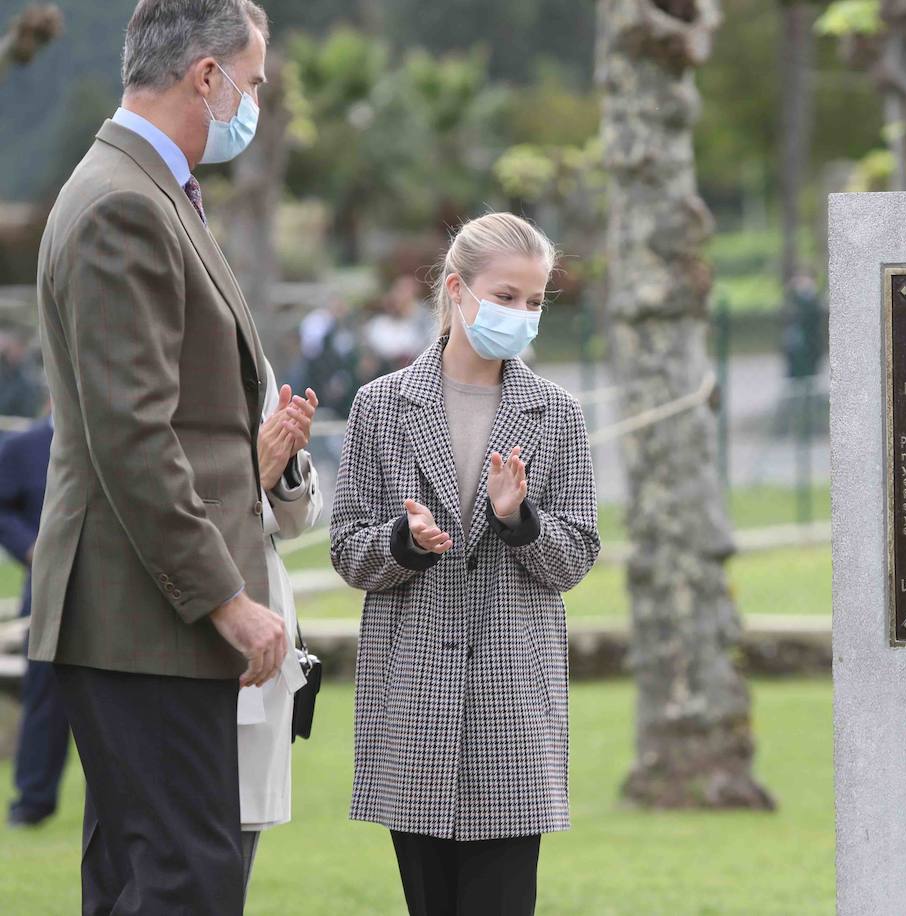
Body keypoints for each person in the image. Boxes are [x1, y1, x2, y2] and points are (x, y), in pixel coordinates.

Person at [28, 2, 288, 911]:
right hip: (145, 618)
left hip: (143, 616)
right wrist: (226, 600)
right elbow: (135, 436)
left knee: (142, 876)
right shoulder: (121, 206)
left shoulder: (146, 189)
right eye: (250, 84)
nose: (254, 105)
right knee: (188, 879)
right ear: (205, 77)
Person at [330, 213, 600, 916]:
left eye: (535, 301)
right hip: (412, 701)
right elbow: (348, 548)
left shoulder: (558, 414)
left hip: (513, 701)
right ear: (456, 289)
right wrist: (404, 541)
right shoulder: (379, 408)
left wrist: (521, 521)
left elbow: (575, 557)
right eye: (506, 296)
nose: (522, 314)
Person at [239, 360, 322, 894]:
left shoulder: (251, 359)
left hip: (264, 637)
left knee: (232, 860)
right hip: (187, 639)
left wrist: (285, 459)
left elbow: (296, 519)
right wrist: (256, 473)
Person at [0, 409, 70, 828]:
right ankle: (33, 800)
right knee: (45, 693)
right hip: (46, 593)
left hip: (118, 594)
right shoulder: (23, 448)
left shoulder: (113, 441)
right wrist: (30, 550)